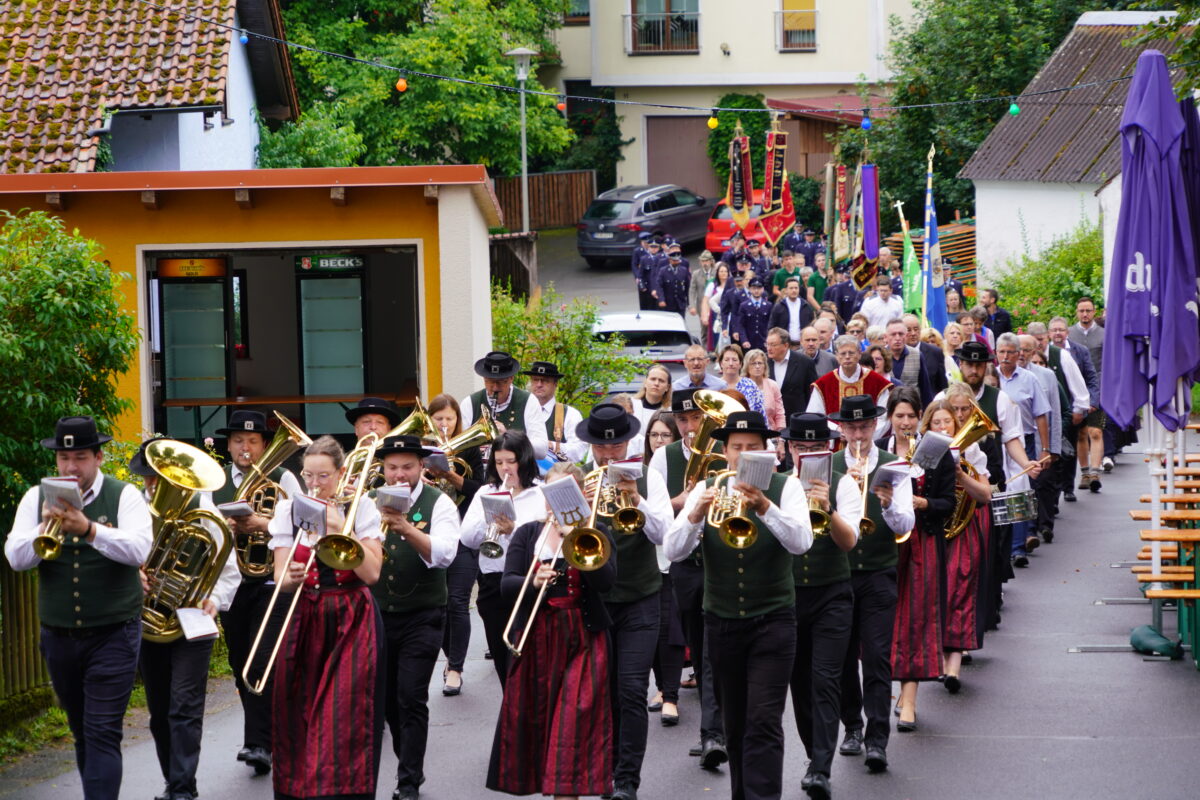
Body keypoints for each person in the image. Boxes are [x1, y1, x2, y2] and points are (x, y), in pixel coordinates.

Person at [665, 410, 814, 800]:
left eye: (752, 448)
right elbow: (673, 551)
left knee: (764, 720)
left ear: (766, 451)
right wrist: (695, 514)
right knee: (734, 723)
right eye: (736, 448)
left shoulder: (786, 487)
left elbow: (802, 542)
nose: (744, 455)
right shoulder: (707, 487)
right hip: (722, 622)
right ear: (726, 452)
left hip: (774, 621)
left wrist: (765, 507)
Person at [4, 417, 152, 800]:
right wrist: (43, 528)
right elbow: (16, 558)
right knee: (82, 731)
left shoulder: (124, 495)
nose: (71, 467)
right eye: (64, 458)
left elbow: (139, 548)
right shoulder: (35, 497)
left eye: (80, 457)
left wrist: (88, 529)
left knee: (102, 731)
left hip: (114, 633)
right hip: (58, 636)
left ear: (99, 458)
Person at [487, 463, 618, 800]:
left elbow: (606, 583)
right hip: (535, 640)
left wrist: (576, 537)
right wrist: (533, 582)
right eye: (551, 493)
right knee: (538, 725)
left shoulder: (595, 531)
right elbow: (506, 585)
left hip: (584, 639)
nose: (555, 502)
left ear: (580, 496)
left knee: (571, 727)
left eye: (565, 493)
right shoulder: (528, 533)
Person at [270, 435, 386, 800]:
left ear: (340, 473)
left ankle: (342, 791)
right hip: (305, 616)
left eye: (323, 476)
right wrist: (290, 577)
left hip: (352, 617)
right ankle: (301, 789)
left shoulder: (360, 506)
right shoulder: (288, 509)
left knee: (343, 713)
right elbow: (280, 577)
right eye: (309, 475)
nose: (315, 484)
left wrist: (340, 527)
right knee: (296, 708)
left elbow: (372, 574)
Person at [131, 440, 240, 800]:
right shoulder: (134, 511)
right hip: (151, 621)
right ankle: (175, 781)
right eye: (148, 477)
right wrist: (133, 574)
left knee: (184, 705)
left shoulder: (203, 511)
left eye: (157, 478)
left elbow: (229, 570)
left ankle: (181, 787)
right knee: (159, 710)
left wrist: (215, 599)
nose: (152, 484)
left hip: (193, 621)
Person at [574, 404, 672, 800]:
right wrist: (578, 510)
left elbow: (664, 535)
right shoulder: (580, 478)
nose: (608, 455)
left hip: (641, 598)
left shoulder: (649, 477)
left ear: (629, 443)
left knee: (631, 689)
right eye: (601, 447)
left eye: (615, 447)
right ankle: (606, 769)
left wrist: (637, 499)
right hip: (596, 601)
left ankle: (626, 779)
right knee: (602, 692)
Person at [211, 409, 305, 776]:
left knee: (261, 660)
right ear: (229, 446)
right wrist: (227, 528)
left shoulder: (284, 478)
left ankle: (258, 744)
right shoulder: (214, 481)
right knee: (239, 664)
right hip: (232, 585)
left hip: (271, 582)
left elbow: (304, 523)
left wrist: (262, 524)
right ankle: (270, 734)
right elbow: (204, 528)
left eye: (253, 441)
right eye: (238, 441)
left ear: (265, 444)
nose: (245, 447)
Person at [371, 435, 460, 800]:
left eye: (407, 467)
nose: (399, 475)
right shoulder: (367, 500)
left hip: (424, 615)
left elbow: (445, 554)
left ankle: (408, 780)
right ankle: (410, 764)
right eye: (392, 468)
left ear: (421, 466)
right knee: (388, 701)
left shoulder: (439, 503)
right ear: (383, 469)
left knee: (411, 696)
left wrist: (406, 528)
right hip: (378, 615)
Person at [831, 396, 915, 775]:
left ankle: (877, 739)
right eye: (852, 427)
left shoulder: (894, 466)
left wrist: (888, 505)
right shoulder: (831, 465)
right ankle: (852, 726)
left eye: (865, 426)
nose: (859, 434)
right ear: (842, 429)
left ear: (875, 426)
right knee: (843, 656)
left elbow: (905, 525)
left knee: (878, 657)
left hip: (879, 571)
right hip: (840, 574)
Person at [781, 413, 862, 800]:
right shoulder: (780, 484)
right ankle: (815, 752)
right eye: (801, 447)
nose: (808, 454)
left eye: (816, 448)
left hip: (832, 594)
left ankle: (820, 768)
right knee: (800, 681)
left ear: (828, 450)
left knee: (826, 679)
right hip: (789, 597)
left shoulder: (843, 482)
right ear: (789, 448)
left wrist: (828, 509)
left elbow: (849, 542)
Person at [647, 390, 728, 769]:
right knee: (698, 644)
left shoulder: (725, 448)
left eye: (696, 418)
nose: (691, 427)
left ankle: (713, 733)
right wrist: (687, 499)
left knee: (713, 652)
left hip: (720, 562)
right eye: (682, 420)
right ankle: (715, 728)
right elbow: (659, 513)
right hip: (685, 563)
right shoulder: (664, 457)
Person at [880, 388, 956, 735]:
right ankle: (891, 692)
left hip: (922, 542)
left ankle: (909, 700)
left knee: (916, 621)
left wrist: (924, 504)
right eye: (900, 416)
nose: (906, 422)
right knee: (885, 622)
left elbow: (948, 503)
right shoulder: (877, 450)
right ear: (890, 417)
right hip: (884, 545)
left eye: (911, 416)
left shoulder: (936, 451)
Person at [459, 430, 544, 687]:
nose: (505, 468)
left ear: (524, 460)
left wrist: (514, 529)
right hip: (493, 582)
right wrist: (489, 520)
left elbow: (545, 541)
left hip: (529, 581)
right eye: (498, 462)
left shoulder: (540, 493)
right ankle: (511, 706)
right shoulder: (486, 491)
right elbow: (467, 538)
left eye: (511, 461)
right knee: (501, 658)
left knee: (530, 659)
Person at [424, 394, 486, 697]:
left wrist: (449, 474)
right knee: (441, 604)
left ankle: (456, 669)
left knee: (458, 601)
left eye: (449, 418)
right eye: (439, 419)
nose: (444, 424)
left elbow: (480, 489)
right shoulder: (421, 449)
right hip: (431, 533)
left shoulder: (469, 448)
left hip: (462, 533)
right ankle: (451, 659)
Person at [938, 386, 995, 676]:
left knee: (960, 585)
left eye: (963, 411)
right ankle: (940, 654)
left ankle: (954, 663)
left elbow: (985, 494)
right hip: (936, 525)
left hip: (964, 523)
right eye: (954, 411)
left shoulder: (973, 450)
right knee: (938, 589)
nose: (959, 416)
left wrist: (961, 474)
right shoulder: (928, 445)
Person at [641, 412, 686, 731]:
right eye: (654, 435)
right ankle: (661, 688)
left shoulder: (672, 464)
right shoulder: (640, 470)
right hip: (646, 558)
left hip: (673, 555)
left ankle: (670, 694)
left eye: (664, 435)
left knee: (671, 628)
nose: (658, 441)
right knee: (654, 629)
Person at [995, 333, 1052, 565]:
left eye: (1010, 352)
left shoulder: (1029, 379)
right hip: (996, 442)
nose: (1006, 357)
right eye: (1002, 352)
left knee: (1020, 490)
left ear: (1018, 354)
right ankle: (1003, 544)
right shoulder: (991, 377)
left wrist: (1045, 448)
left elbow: (1041, 415)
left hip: (1023, 439)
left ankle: (1019, 546)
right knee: (1001, 491)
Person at [1048, 315, 1100, 503]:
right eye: (1054, 330)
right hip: (1050, 411)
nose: (1058, 333)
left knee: (1070, 448)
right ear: (1049, 333)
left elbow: (1091, 377)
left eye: (1061, 330)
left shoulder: (1080, 351)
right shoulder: (1043, 353)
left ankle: (1069, 487)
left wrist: (1090, 403)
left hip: (1073, 408)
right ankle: (1053, 493)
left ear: (1067, 332)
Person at [460, 351, 549, 458]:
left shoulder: (528, 401)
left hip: (517, 468)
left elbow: (542, 450)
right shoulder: (469, 403)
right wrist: (477, 446)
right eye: (490, 381)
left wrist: (508, 438)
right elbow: (460, 447)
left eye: (501, 381)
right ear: (484, 379)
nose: (495, 387)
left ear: (511, 378)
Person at [809, 335, 893, 437]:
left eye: (851, 353)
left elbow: (885, 417)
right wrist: (837, 430)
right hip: (836, 440)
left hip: (870, 440)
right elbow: (815, 416)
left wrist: (866, 435)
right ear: (836, 356)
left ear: (859, 354)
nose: (847, 357)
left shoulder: (877, 382)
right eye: (843, 353)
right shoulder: (823, 384)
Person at [1069, 296, 1112, 480]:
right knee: (1081, 433)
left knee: (1096, 430)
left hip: (1098, 389)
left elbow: (1110, 361)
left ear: (1094, 312)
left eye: (1088, 310)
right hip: (1076, 390)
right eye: (1081, 311)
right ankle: (1085, 472)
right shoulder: (1070, 334)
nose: (1085, 314)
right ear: (1077, 312)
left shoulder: (1104, 334)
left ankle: (1095, 472)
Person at [523, 361, 588, 464]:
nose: (539, 384)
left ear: (555, 384)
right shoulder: (519, 410)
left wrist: (552, 446)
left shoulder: (570, 414)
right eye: (535, 380)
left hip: (556, 473)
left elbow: (579, 450)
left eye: (545, 381)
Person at [766, 326, 819, 420]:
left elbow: (812, 394)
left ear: (785, 345)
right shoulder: (763, 362)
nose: (769, 348)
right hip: (771, 420)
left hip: (796, 419)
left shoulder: (805, 362)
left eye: (773, 345)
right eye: (767, 344)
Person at [884, 319, 935, 407]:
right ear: (886, 337)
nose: (897, 338)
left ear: (906, 335)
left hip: (912, 408)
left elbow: (925, 389)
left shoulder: (917, 355)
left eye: (901, 334)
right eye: (893, 334)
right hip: (887, 408)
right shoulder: (879, 356)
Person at [903, 314, 948, 395]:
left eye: (916, 329)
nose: (913, 333)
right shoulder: (896, 352)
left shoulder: (935, 352)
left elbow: (942, 385)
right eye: (908, 330)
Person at [716, 344, 766, 416]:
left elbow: (761, 413)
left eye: (734, 360)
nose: (731, 363)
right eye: (727, 360)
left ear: (740, 364)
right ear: (721, 363)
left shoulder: (750, 385)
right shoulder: (714, 386)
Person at [743, 348, 786, 430]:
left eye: (760, 363)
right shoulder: (741, 386)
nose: (757, 366)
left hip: (770, 432)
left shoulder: (773, 385)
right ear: (747, 366)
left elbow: (780, 414)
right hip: (747, 432)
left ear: (765, 366)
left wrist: (780, 435)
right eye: (753, 363)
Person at [769, 275, 814, 345]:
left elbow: (811, 323)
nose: (794, 290)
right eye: (791, 288)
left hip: (802, 344)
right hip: (785, 344)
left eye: (796, 288)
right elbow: (772, 326)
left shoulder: (806, 306)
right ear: (786, 290)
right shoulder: (779, 307)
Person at [653, 243, 691, 320]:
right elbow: (659, 285)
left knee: (681, 322)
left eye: (678, 260)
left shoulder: (683, 270)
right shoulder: (663, 271)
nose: (677, 262)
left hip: (680, 304)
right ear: (670, 260)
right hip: (668, 304)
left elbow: (687, 287)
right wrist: (661, 299)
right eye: (674, 260)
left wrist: (689, 303)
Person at [734, 276, 773, 352]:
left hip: (764, 342)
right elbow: (741, 325)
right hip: (749, 342)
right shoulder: (744, 306)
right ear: (750, 289)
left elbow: (770, 325)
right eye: (754, 288)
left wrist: (768, 339)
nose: (756, 291)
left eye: (759, 288)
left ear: (763, 289)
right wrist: (744, 340)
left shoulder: (768, 305)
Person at [632, 363, 674, 429]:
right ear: (645, 382)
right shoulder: (632, 405)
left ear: (667, 387)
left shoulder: (671, 411)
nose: (656, 383)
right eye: (653, 379)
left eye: (661, 381)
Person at [689, 250, 718, 346]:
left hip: (715, 305)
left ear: (711, 261)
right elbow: (692, 291)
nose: (705, 263)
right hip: (702, 307)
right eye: (703, 261)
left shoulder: (717, 272)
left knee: (716, 327)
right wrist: (692, 306)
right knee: (704, 329)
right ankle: (705, 348)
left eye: (706, 261)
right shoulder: (696, 274)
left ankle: (715, 347)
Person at [705, 262, 734, 351]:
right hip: (721, 317)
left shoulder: (732, 286)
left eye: (725, 271)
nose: (723, 273)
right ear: (717, 273)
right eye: (721, 271)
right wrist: (721, 310)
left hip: (733, 317)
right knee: (720, 337)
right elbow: (710, 301)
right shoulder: (713, 285)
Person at [631, 232, 656, 311]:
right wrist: (637, 276)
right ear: (641, 242)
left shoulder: (654, 250)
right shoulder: (638, 251)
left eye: (648, 243)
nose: (646, 245)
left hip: (652, 276)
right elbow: (634, 265)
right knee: (644, 301)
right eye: (645, 243)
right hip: (642, 277)